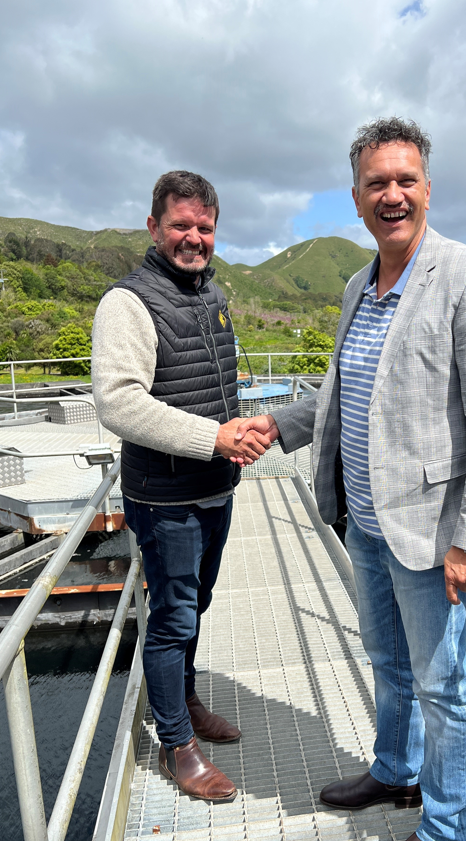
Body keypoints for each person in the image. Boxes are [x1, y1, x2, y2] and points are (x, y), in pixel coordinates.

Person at [235, 118, 466, 841]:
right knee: (387, 662)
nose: (392, 194)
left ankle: (449, 832)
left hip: (436, 535)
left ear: (427, 189)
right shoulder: (356, 286)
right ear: (358, 198)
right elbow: (342, 391)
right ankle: (397, 771)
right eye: (377, 183)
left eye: (406, 180)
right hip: (365, 519)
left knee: (443, 684)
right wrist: (277, 424)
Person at [92, 171, 272, 802]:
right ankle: (177, 745)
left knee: (194, 608)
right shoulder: (128, 303)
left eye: (204, 227)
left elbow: (209, 388)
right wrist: (214, 438)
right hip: (166, 498)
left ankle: (186, 702)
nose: (194, 238)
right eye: (181, 226)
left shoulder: (209, 295)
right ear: (153, 227)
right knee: (170, 620)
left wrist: (238, 432)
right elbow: (118, 404)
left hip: (215, 487)